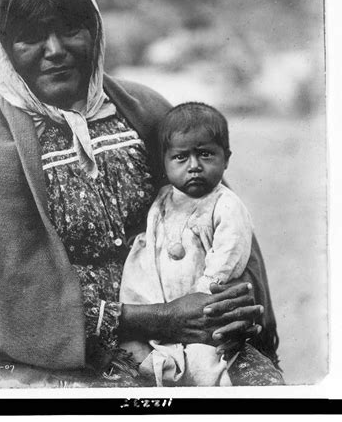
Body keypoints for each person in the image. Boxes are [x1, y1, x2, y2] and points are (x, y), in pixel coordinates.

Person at [0, 0, 280, 388]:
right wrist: (163, 319)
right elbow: (16, 312)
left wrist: (230, 296)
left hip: (195, 326)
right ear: (3, 50)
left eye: (71, 29)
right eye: (30, 37)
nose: (56, 50)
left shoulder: (145, 110)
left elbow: (219, 212)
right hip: (62, 360)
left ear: (94, 30)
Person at [120, 102, 284, 386]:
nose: (194, 166)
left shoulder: (224, 205)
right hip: (167, 308)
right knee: (143, 358)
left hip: (205, 311)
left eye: (206, 154)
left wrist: (203, 298)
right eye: (181, 157)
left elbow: (228, 255)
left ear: (226, 158)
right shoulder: (162, 201)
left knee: (207, 365)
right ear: (165, 162)